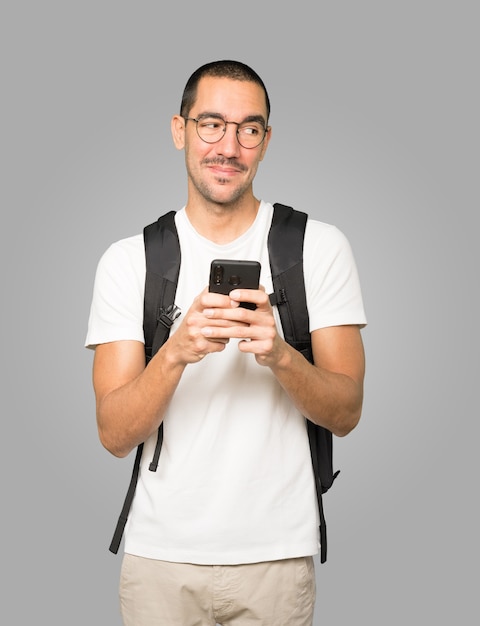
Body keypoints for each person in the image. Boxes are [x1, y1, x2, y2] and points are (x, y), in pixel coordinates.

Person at [85, 59, 367, 626]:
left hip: (278, 557)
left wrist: (280, 355)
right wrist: (177, 353)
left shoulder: (320, 246)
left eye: (248, 128)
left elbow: (346, 412)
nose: (228, 146)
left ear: (265, 142)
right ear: (179, 129)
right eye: (210, 124)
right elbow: (114, 434)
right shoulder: (128, 260)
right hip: (159, 557)